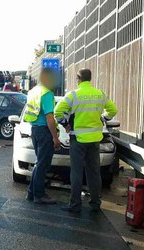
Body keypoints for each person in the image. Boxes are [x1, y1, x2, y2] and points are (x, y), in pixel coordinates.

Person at [55, 68, 117, 213]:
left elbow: (57, 111)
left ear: (78, 79)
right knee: (94, 172)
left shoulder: (73, 95)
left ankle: (75, 204)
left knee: (76, 172)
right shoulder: (99, 94)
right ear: (90, 78)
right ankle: (95, 203)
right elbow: (113, 110)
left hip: (78, 139)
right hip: (95, 139)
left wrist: (65, 124)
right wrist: (103, 118)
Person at [23, 68, 61, 204]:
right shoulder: (47, 93)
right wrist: (55, 138)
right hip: (45, 132)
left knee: (39, 163)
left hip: (35, 130)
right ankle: (39, 195)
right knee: (42, 164)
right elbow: (49, 117)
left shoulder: (33, 91)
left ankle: (31, 192)